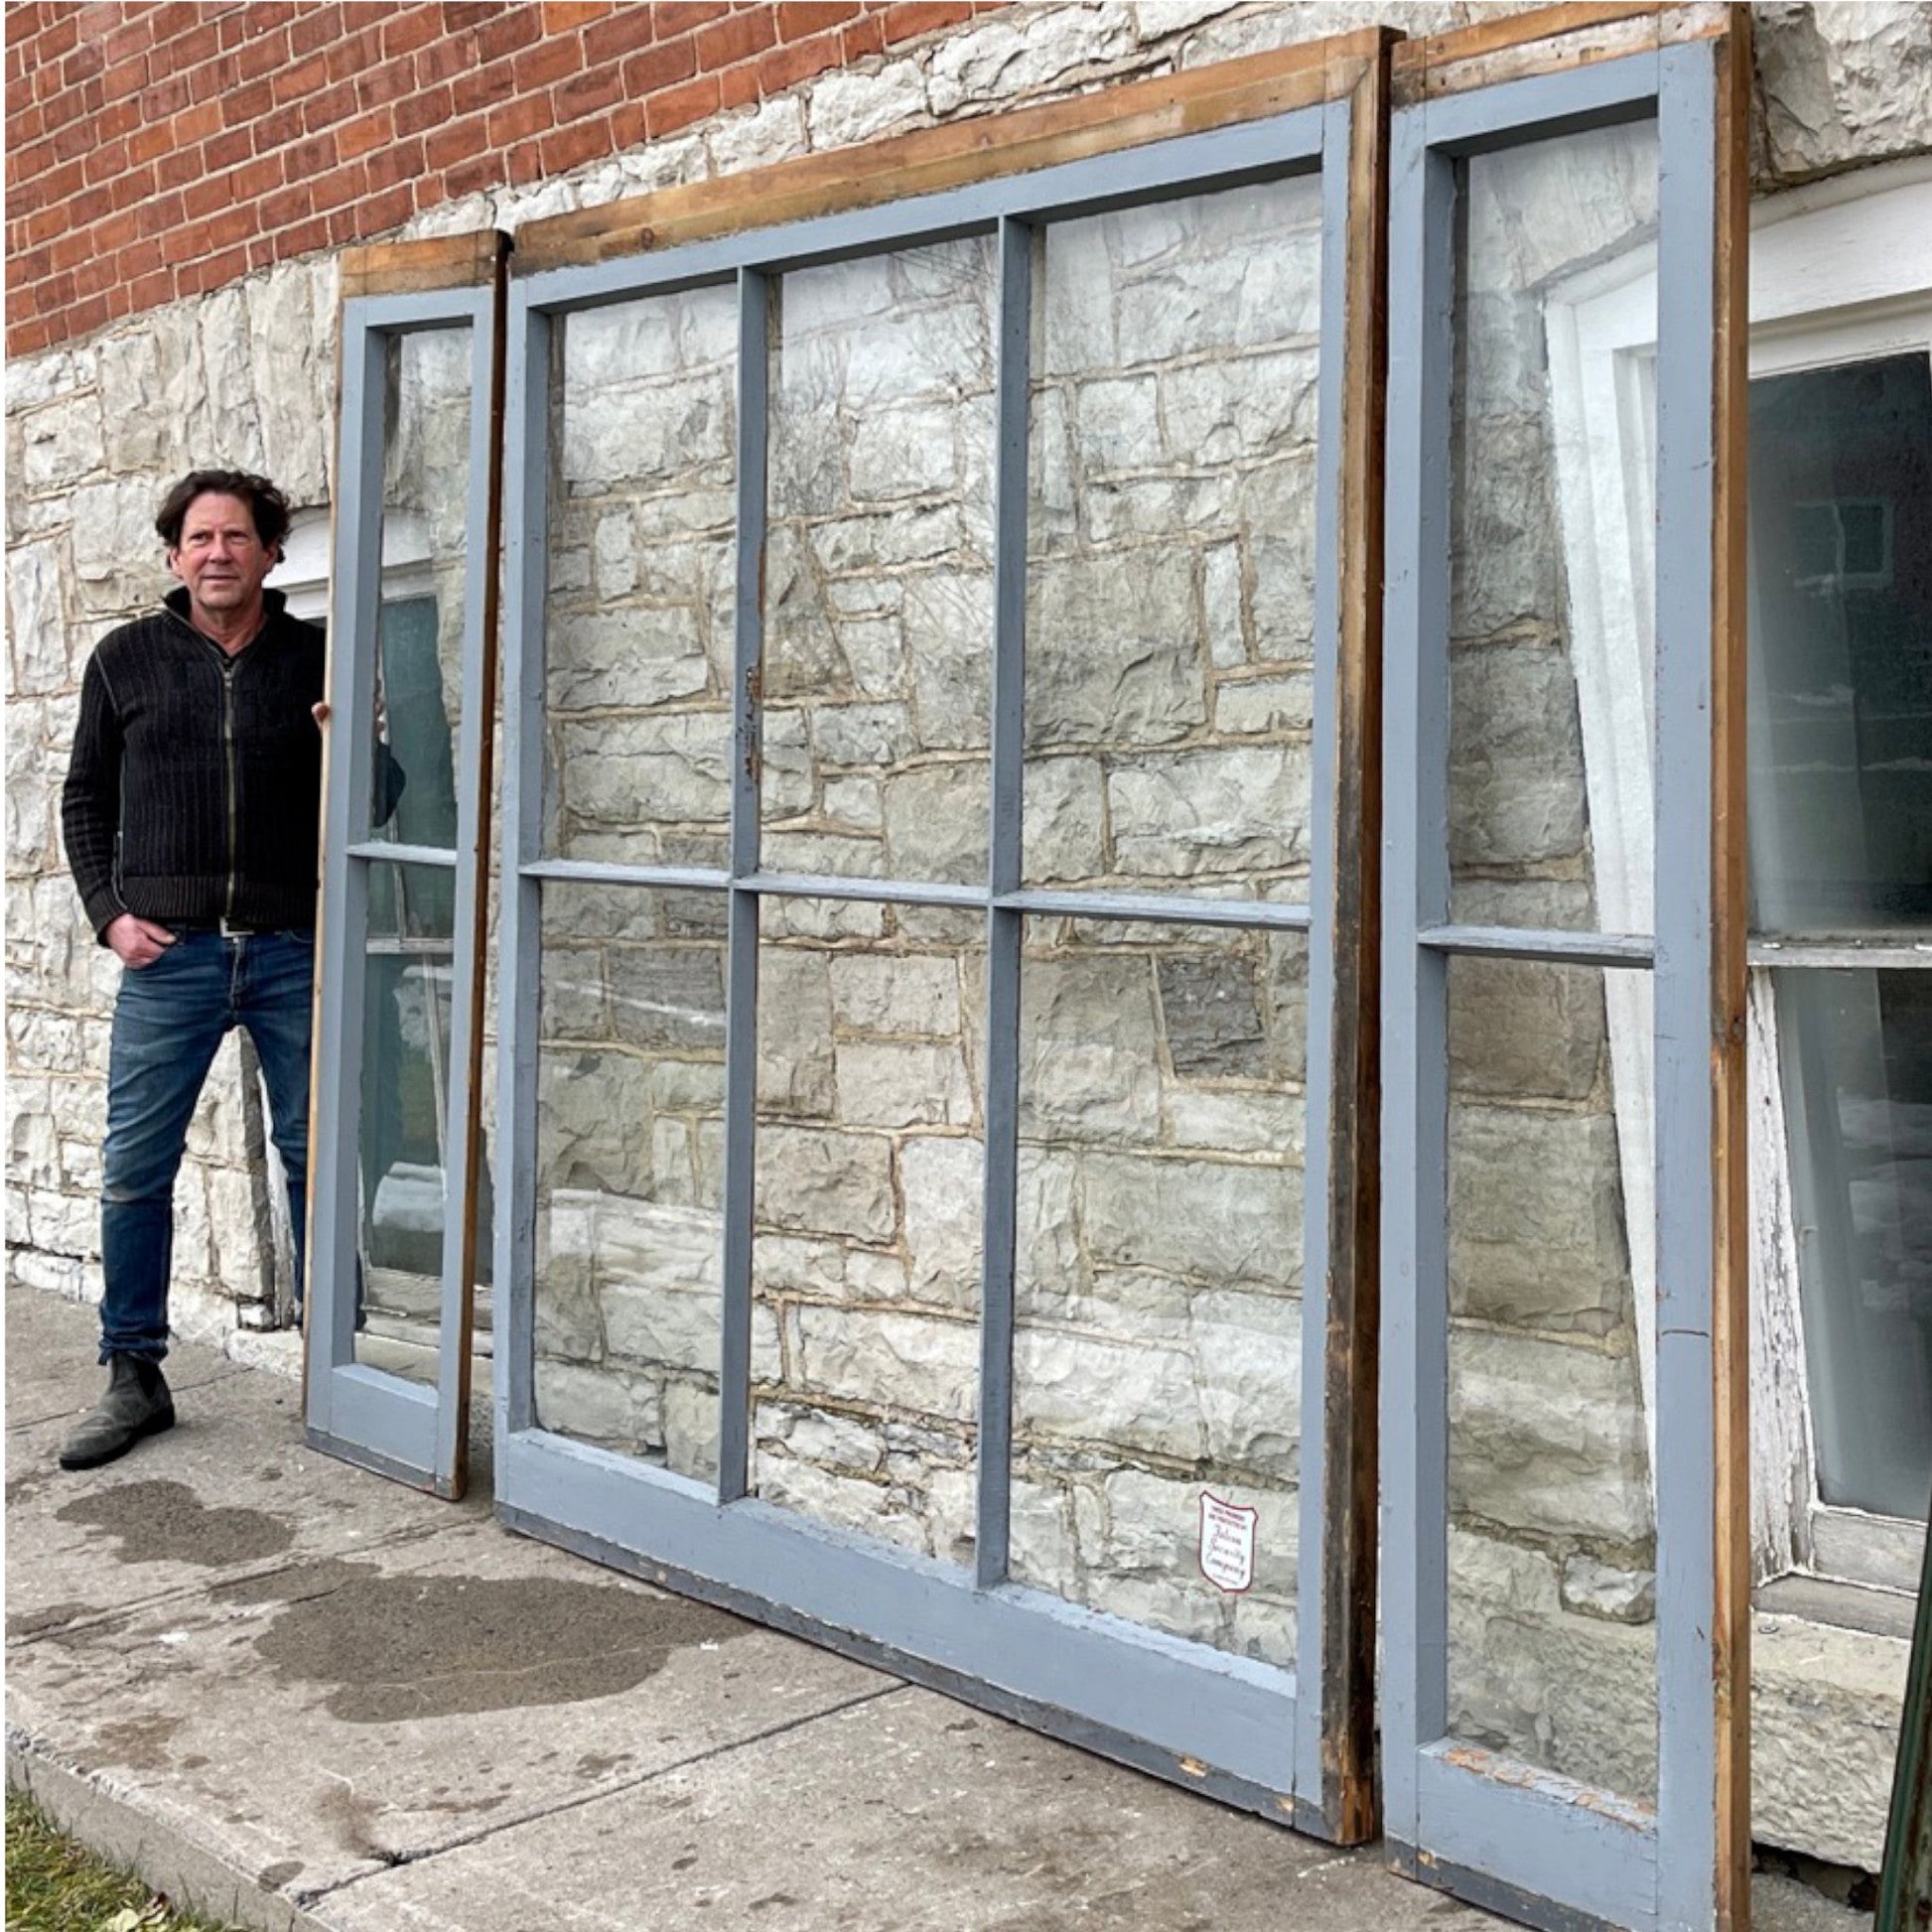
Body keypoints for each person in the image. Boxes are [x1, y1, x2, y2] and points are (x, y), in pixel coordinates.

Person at [58, 470, 346, 1470]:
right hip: (169, 956)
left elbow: (384, 808)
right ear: (175, 555)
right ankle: (133, 1371)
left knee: (317, 1157)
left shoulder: (322, 654)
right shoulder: (124, 659)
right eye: (198, 537)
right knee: (137, 1166)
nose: (216, 551)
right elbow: (84, 801)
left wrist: (352, 747)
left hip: (288, 946)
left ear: (275, 551)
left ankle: (336, 1368)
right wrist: (110, 918)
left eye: (236, 536)